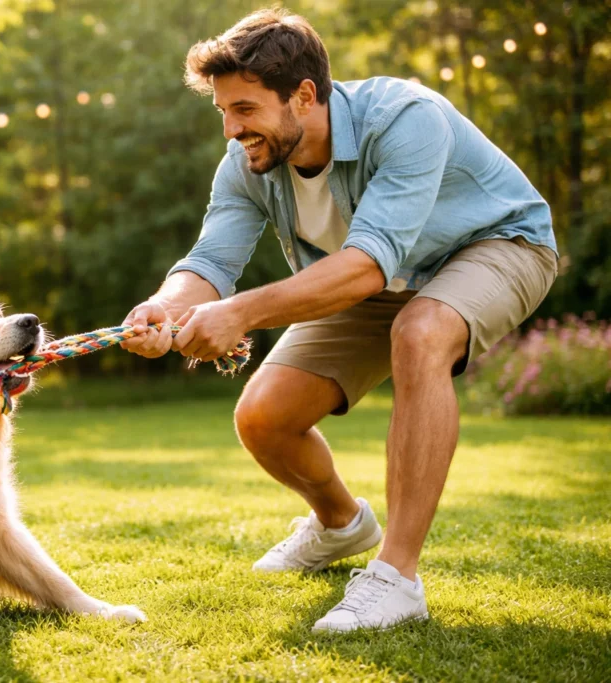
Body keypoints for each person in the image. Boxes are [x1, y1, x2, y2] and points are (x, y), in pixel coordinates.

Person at [121, 7, 557, 633]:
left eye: (243, 109)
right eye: (222, 111)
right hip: (375, 275)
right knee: (264, 417)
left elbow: (365, 268)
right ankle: (340, 524)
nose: (229, 129)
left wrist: (239, 313)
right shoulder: (249, 161)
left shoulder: (407, 118)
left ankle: (397, 578)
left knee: (422, 331)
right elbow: (211, 261)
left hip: (497, 245)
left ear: (304, 95)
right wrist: (166, 306)